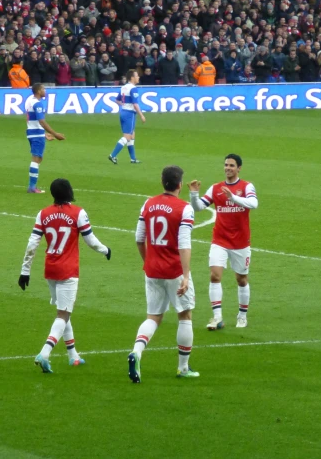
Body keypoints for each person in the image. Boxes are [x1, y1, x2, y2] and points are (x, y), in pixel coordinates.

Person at [18, 178, 112, 373]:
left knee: (63, 310)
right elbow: (91, 241)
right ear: (69, 191)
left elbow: (32, 244)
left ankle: (72, 355)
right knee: (63, 314)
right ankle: (44, 353)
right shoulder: (78, 213)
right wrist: (105, 250)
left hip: (50, 270)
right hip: (68, 271)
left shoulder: (43, 214)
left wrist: (25, 271)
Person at [128, 165, 198, 382]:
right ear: (179, 184)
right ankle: (183, 368)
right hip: (174, 271)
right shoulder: (184, 208)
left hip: (153, 270)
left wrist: (147, 261)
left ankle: (136, 352)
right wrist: (185, 276)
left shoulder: (148, 203)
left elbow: (139, 238)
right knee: (185, 315)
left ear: (162, 182)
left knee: (154, 317)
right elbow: (184, 245)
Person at [188, 154, 258, 329]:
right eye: (226, 165)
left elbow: (253, 203)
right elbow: (198, 208)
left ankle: (242, 315)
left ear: (239, 168)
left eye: (232, 165)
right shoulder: (216, 188)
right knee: (215, 275)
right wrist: (194, 195)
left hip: (240, 242)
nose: (228, 168)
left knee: (241, 279)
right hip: (219, 239)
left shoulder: (246, 186)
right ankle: (217, 317)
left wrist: (233, 197)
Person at [24, 84, 65, 193]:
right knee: (36, 159)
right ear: (38, 91)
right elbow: (41, 121)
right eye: (43, 89)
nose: (45, 91)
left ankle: (32, 186)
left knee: (38, 158)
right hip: (36, 134)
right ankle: (32, 187)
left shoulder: (29, 100)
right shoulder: (38, 104)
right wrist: (55, 134)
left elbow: (30, 118)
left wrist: (44, 134)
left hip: (32, 132)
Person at [108, 69, 145, 164]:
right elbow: (135, 104)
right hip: (130, 114)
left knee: (132, 134)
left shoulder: (124, 87)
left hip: (123, 112)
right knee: (127, 136)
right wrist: (141, 115)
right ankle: (113, 155)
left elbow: (117, 100)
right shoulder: (133, 88)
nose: (138, 77)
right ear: (132, 77)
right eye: (137, 75)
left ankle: (133, 159)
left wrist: (124, 105)